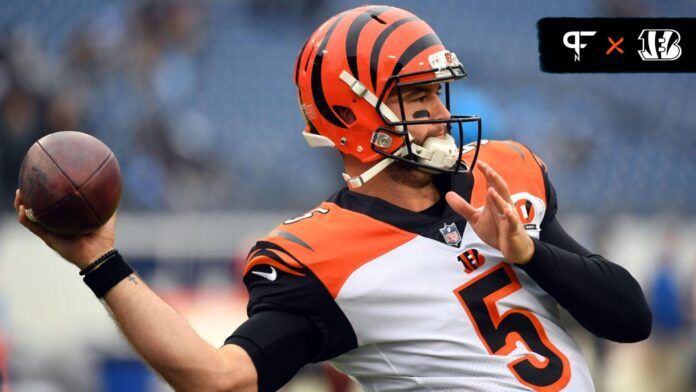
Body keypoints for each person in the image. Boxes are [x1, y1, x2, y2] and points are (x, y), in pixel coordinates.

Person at [15, 5, 651, 392]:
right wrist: (101, 263)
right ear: (351, 112)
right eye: (415, 97)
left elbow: (629, 318)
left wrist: (530, 251)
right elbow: (218, 379)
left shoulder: (504, 175)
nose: (439, 114)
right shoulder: (319, 256)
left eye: (438, 92)